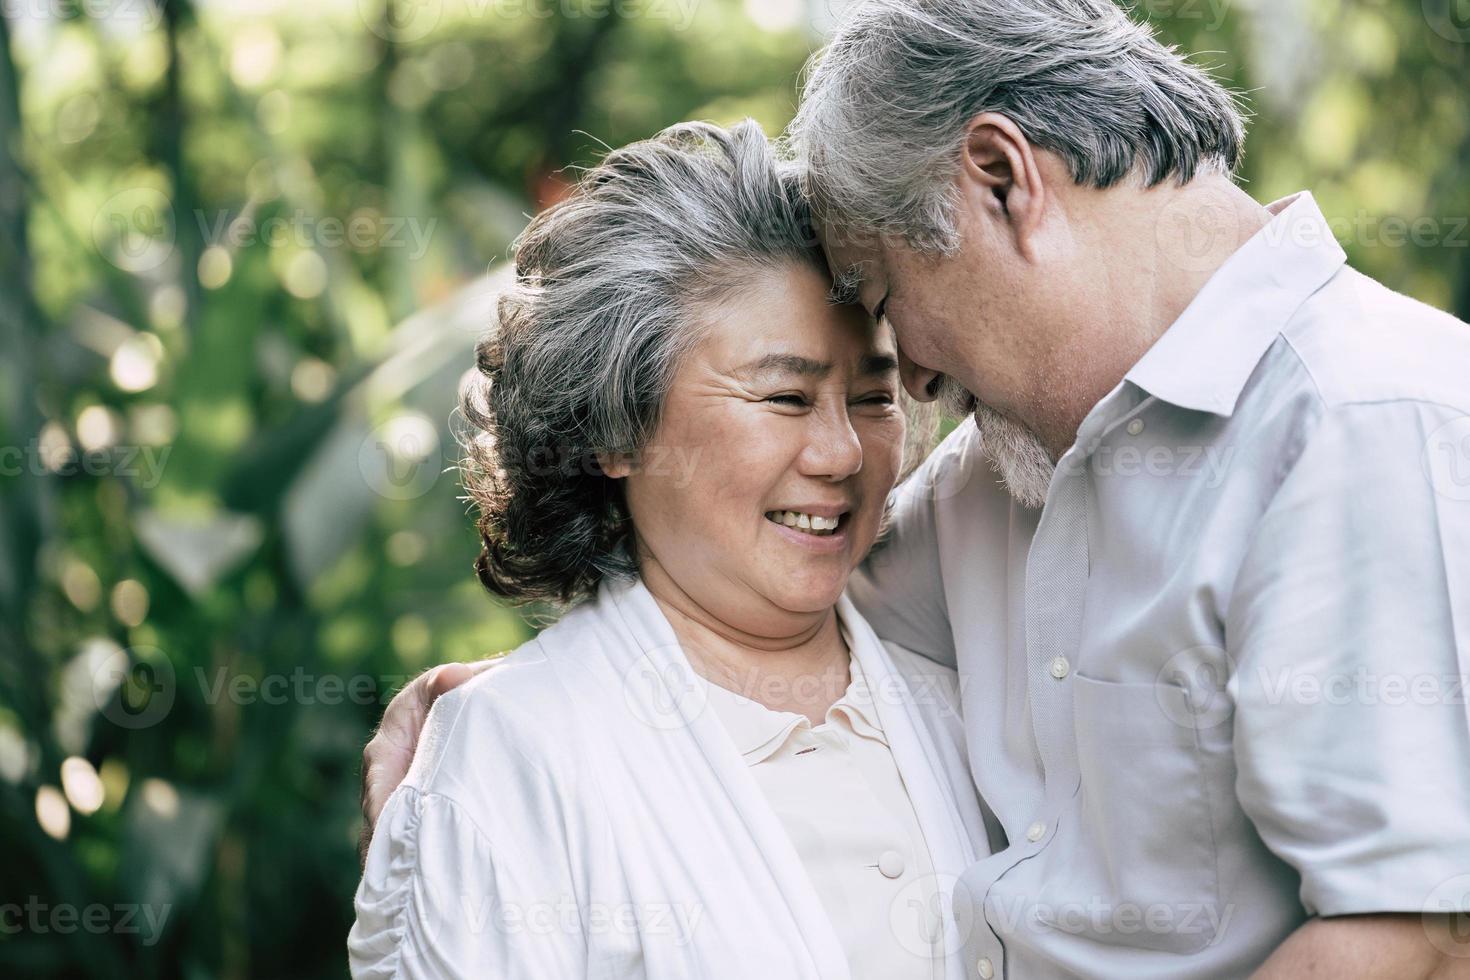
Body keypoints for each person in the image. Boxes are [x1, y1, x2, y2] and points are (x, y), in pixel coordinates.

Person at [362, 1, 1470, 976]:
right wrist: (499, 722)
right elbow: (741, 615)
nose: (917, 377)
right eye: (795, 392)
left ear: (1001, 181)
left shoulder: (1367, 421)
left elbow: (1416, 940)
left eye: (888, 295)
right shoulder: (1018, 467)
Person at [348, 119, 990, 979]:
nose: (841, 454)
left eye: (874, 398)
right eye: (785, 397)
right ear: (617, 430)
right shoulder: (517, 759)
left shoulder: (968, 677)